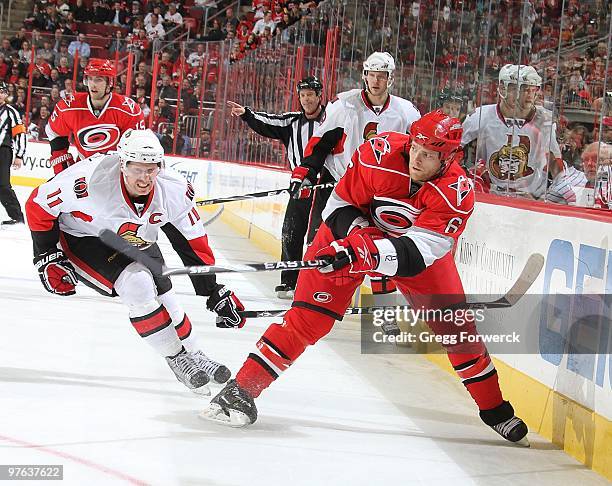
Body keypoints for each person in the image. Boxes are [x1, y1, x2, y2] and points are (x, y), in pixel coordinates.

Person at [203, 111, 530, 448]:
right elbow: (339, 204)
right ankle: (239, 392)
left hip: (416, 254)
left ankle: (495, 411)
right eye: (416, 147)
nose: (417, 158)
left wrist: (369, 252)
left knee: (457, 328)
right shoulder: (379, 153)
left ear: (448, 158)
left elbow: (419, 252)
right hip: (351, 236)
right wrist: (356, 240)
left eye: (429, 154)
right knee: (307, 321)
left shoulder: (457, 192)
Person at [25, 129, 245, 393]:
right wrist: (46, 254)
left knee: (167, 296)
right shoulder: (85, 182)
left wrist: (212, 290)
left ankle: (196, 354)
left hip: (133, 236)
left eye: (151, 169)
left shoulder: (173, 190)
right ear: (122, 164)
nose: (145, 178)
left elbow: (191, 242)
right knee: (138, 286)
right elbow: (37, 204)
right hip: (84, 237)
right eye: (138, 169)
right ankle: (177, 358)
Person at [227, 76, 326, 300]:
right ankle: (289, 282)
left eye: (311, 94)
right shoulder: (292, 122)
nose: (307, 99)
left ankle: (315, 285)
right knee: (291, 233)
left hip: (326, 190)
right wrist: (246, 114)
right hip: (300, 188)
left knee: (318, 238)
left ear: (320, 96)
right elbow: (268, 122)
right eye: (303, 95)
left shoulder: (332, 120)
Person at [461, 64, 565, 200]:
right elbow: (454, 148)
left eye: (532, 89)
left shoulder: (545, 119)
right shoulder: (481, 115)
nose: (529, 94)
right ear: (503, 89)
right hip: (489, 193)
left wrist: (546, 199)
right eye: (521, 88)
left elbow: (555, 163)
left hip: (531, 196)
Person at [46, 58, 145, 174]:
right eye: (90, 79)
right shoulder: (70, 106)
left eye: (99, 80)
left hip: (117, 172)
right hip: (84, 171)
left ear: (110, 83)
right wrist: (61, 162)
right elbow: (54, 131)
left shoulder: (128, 110)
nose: (93, 84)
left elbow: (136, 146)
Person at [0, 81, 27, 225]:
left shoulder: (11, 112)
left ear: (5, 94)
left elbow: (20, 134)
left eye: (1, 92)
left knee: (3, 185)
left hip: (3, 151)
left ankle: (17, 216)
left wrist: (19, 155)